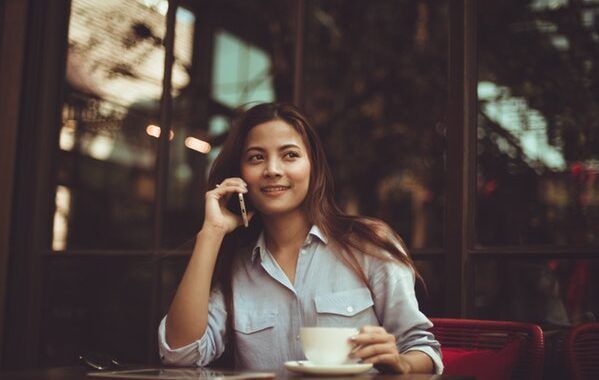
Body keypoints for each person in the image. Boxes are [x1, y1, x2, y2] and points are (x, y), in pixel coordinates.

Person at [158, 102, 443, 374]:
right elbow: (179, 354)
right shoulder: (236, 268)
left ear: (313, 167)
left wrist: (401, 364)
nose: (272, 169)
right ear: (241, 175)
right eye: (256, 157)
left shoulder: (368, 244)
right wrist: (211, 233)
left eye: (290, 155)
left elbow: (423, 350)